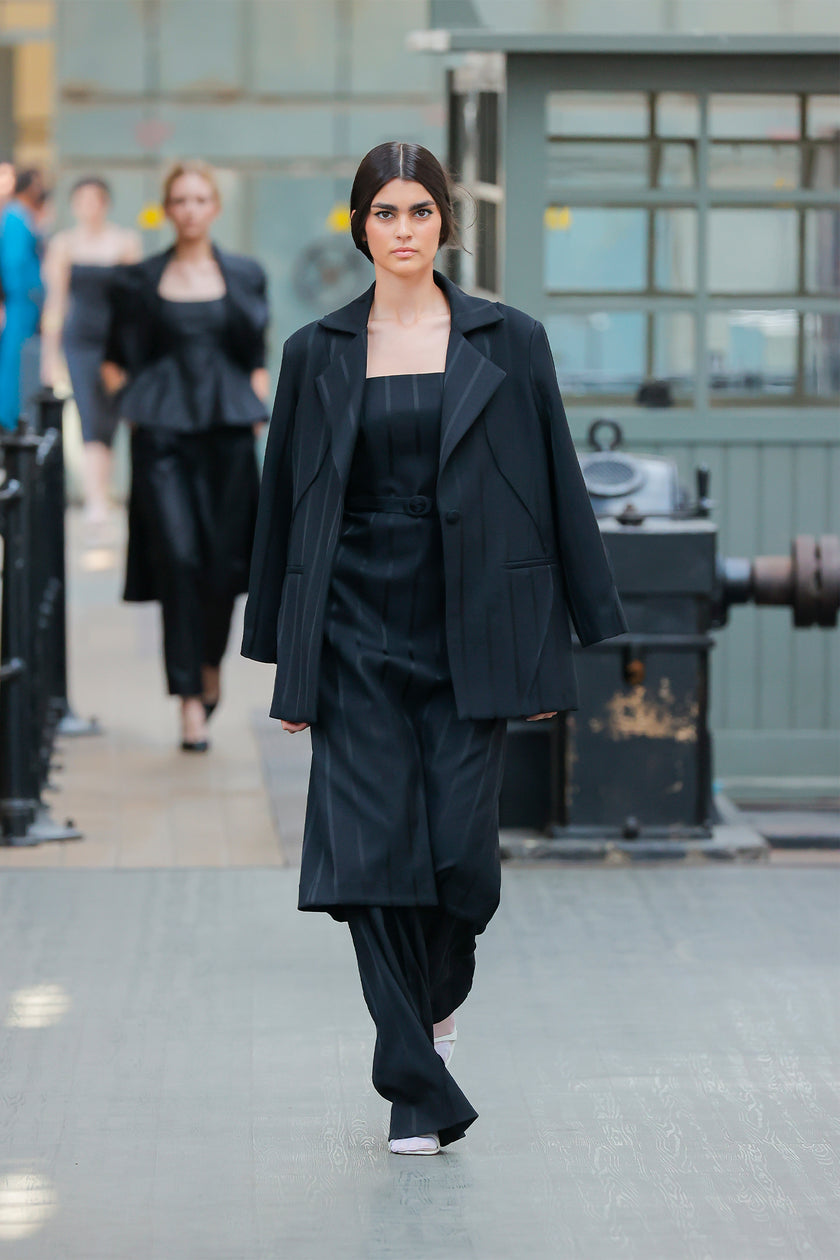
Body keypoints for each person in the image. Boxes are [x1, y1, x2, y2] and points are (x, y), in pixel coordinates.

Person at [242, 142, 628, 1156]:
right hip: (354, 619)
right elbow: (284, 505)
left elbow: (557, 484)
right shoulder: (316, 350)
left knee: (462, 855)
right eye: (383, 214)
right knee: (371, 857)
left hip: (475, 626)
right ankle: (415, 1082)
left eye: (419, 211)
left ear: (443, 223)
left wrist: (584, 634)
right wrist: (286, 656)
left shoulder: (510, 340)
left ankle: (438, 994)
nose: (402, 229)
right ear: (359, 227)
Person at [103, 160, 270, 751]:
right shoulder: (140, 280)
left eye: (202, 199)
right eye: (181, 200)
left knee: (224, 565)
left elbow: (255, 351)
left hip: (227, 435)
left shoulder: (246, 275)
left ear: (215, 208)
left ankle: (209, 668)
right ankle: (187, 702)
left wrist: (255, 395)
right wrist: (128, 404)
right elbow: (116, 356)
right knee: (177, 557)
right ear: (167, 209)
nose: (191, 209)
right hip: (162, 437)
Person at [41, 176, 141, 527]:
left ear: (105, 203)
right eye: (81, 199)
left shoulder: (126, 241)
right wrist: (50, 356)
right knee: (89, 414)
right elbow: (55, 302)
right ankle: (95, 498)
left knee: (112, 415)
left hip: (115, 341)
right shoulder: (64, 244)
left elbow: (134, 301)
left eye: (95, 199)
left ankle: (104, 491)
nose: (89, 206)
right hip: (80, 340)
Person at [0, 168, 46, 430]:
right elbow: (14, 263)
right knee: (13, 360)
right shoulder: (16, 216)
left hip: (27, 302)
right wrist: (30, 293)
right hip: (21, 301)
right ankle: (8, 418)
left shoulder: (24, 215)